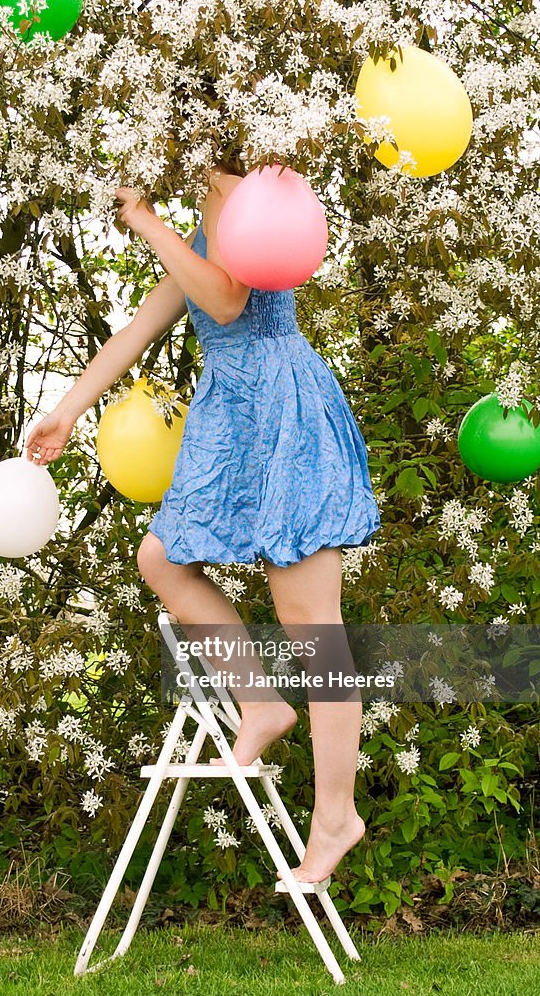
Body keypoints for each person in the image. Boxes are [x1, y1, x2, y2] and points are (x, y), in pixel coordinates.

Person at [23, 150, 382, 886]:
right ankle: (260, 704)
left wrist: (143, 219)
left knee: (312, 626)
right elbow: (140, 330)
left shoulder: (239, 191)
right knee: (162, 558)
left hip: (282, 409)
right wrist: (64, 412)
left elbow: (225, 302)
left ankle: (337, 815)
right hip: (231, 417)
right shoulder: (203, 211)